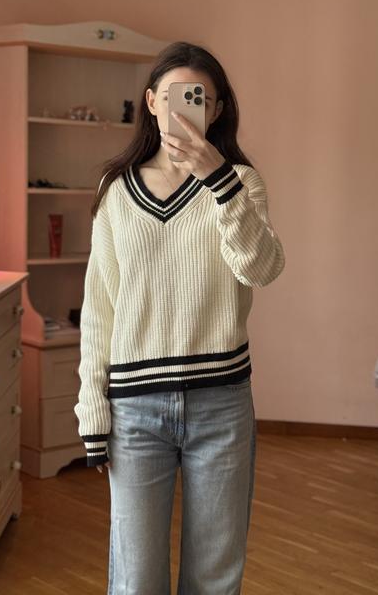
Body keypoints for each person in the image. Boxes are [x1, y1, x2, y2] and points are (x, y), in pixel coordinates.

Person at [74, 41, 285, 595]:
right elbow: (99, 307)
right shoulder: (116, 190)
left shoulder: (242, 185)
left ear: (216, 110)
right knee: (136, 579)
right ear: (151, 103)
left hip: (222, 405)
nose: (185, 110)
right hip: (135, 410)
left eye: (199, 99)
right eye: (173, 97)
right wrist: (92, 408)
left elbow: (262, 269)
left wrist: (219, 182)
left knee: (214, 578)